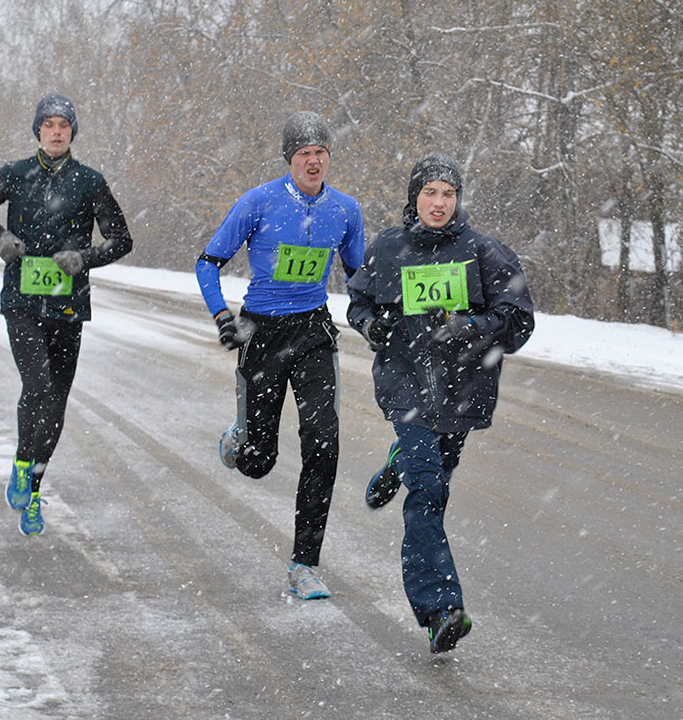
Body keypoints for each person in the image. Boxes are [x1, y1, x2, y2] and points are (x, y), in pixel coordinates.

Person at [346, 152, 534, 653]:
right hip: (405, 383)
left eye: (448, 193)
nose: (438, 202)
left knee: (435, 484)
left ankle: (398, 462)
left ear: (458, 199)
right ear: (415, 197)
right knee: (427, 492)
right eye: (429, 192)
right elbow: (358, 302)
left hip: (460, 390)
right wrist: (372, 325)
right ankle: (440, 609)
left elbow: (519, 321)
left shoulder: (483, 253)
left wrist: (469, 326)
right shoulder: (389, 247)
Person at [195, 111, 365, 600]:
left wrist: (378, 316)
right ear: (290, 159)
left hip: (313, 332)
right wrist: (222, 316)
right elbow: (208, 262)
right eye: (303, 154)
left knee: (324, 444)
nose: (313, 162)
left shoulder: (345, 210)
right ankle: (240, 437)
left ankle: (304, 564)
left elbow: (360, 278)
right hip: (263, 334)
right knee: (258, 462)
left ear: (329, 156)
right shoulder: (259, 202)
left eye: (320, 152)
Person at [0, 92, 133, 536]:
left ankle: (34, 489)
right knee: (38, 385)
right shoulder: (15, 174)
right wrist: (1, 238)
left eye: (64, 126)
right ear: (38, 131)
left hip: (68, 305)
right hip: (21, 300)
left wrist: (84, 258)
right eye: (49, 125)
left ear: (72, 132)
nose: (56, 132)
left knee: (56, 401)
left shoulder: (89, 182)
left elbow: (121, 239)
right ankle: (23, 463)